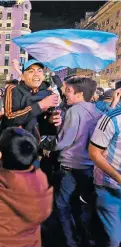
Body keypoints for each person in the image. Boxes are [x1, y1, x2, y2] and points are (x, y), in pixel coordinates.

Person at [52, 77, 101, 247]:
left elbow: (64, 141)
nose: (65, 94)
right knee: (83, 205)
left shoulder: (74, 111)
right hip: (90, 166)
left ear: (79, 94)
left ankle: (71, 240)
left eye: (68, 91)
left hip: (71, 166)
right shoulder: (97, 112)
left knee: (62, 204)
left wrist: (46, 142)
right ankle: (86, 237)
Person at [0, 59, 61, 142]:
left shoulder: (48, 93)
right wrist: (40, 105)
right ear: (22, 77)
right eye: (31, 71)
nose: (36, 74)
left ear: (43, 76)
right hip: (14, 142)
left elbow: (43, 123)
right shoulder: (13, 89)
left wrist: (51, 120)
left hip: (36, 144)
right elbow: (10, 117)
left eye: (39, 71)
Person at [89, 107, 121, 247]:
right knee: (114, 240)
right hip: (110, 187)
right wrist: (118, 177)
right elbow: (94, 153)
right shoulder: (112, 118)